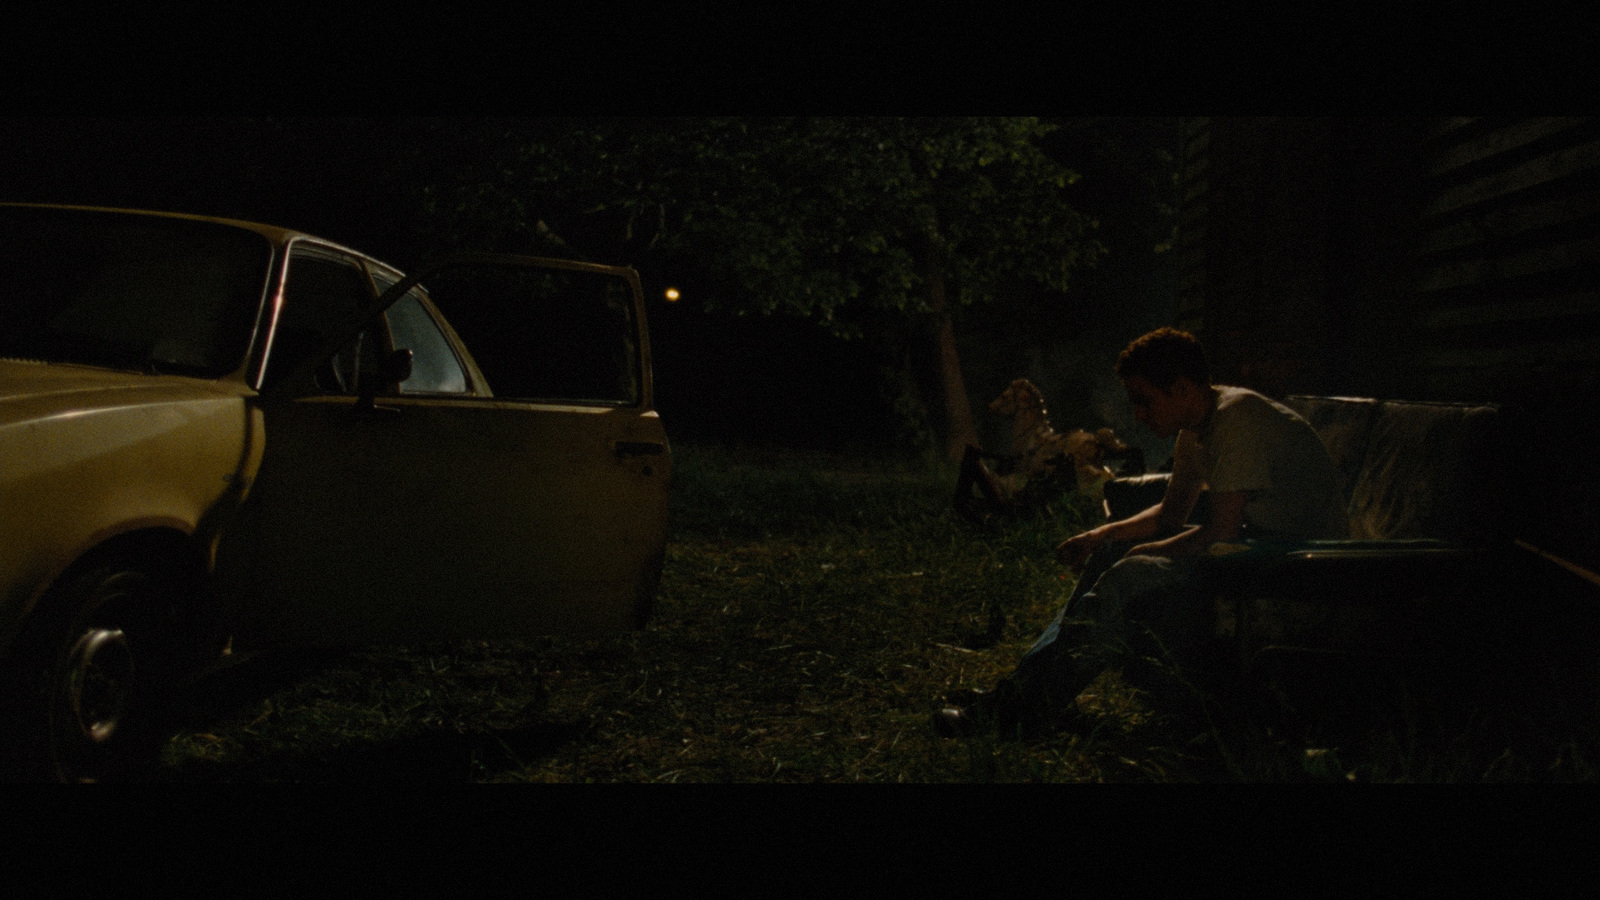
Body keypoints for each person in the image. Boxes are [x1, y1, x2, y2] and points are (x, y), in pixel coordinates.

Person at [934, 327, 1349, 738]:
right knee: (1109, 557)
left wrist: (1142, 554)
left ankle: (1019, 710)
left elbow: (1221, 530)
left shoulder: (1235, 421)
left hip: (1300, 567)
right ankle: (1021, 690)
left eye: (1144, 401)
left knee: (1129, 574)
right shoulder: (1196, 427)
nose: (1138, 415)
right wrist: (1102, 536)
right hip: (1255, 544)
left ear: (1182, 388)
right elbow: (1171, 516)